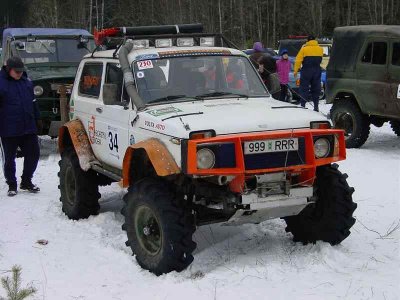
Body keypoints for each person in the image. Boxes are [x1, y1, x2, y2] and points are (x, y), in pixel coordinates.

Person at [0, 56, 41, 196]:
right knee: (9, 158)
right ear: (8, 69)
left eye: (21, 71)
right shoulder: (1, 83)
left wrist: (38, 118)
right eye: (16, 71)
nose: (19, 73)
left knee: (34, 153)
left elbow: (33, 102)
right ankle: (12, 184)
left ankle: (26, 181)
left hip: (28, 127)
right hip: (8, 129)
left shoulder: (27, 82)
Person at [293, 35, 323, 111]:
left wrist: (296, 71)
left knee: (304, 88)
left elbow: (298, 60)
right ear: (315, 40)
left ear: (308, 41)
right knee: (316, 88)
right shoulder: (320, 49)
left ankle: (303, 105)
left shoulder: (304, 49)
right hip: (317, 70)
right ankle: (316, 106)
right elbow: (321, 60)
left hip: (306, 70)